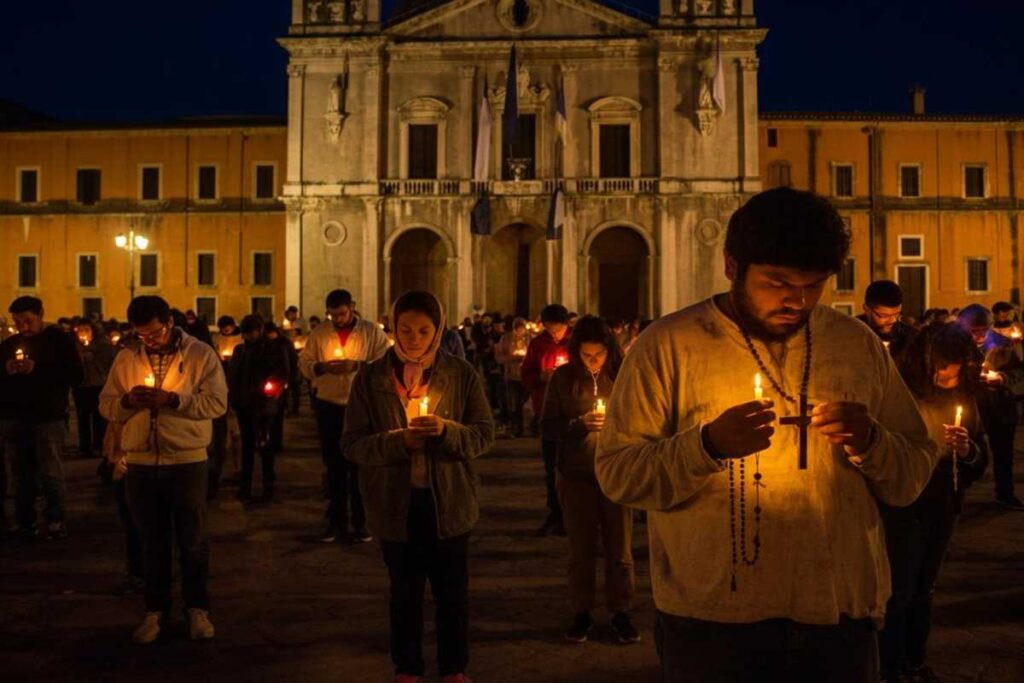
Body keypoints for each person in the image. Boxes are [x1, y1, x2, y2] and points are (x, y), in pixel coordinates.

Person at [596, 188, 938, 683]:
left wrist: (872, 442)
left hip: (837, 615)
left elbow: (911, 474)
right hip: (713, 623)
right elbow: (619, 475)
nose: (796, 301)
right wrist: (706, 446)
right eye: (777, 283)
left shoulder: (856, 345)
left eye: (813, 285)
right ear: (732, 265)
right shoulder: (667, 346)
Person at [343, 290, 494, 683]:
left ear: (438, 329)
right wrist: (398, 442)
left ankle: (454, 668)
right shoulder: (371, 376)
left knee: (452, 594)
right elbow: (353, 443)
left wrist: (446, 432)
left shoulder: (461, 373)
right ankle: (407, 667)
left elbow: (483, 435)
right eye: (405, 329)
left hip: (450, 502)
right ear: (392, 327)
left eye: (424, 330)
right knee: (404, 593)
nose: (413, 338)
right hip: (395, 504)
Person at [99, 295, 228, 644]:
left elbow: (217, 403)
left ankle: (197, 609)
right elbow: (106, 404)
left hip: (186, 460)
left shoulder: (200, 354)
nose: (149, 341)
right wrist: (127, 402)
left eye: (154, 333)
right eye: (142, 336)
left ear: (169, 322)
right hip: (140, 462)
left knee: (193, 541)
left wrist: (173, 400)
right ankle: (154, 612)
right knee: (151, 542)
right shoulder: (127, 357)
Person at [878, 323, 989, 683]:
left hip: (943, 503)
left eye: (954, 368)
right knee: (900, 590)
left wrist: (966, 449)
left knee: (925, 588)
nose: (947, 376)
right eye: (941, 367)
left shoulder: (966, 395)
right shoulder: (902, 395)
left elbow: (979, 454)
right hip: (905, 504)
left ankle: (914, 660)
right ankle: (889, 666)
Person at [541, 316, 638, 645]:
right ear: (576, 352)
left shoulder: (624, 377)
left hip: (617, 473)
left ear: (610, 351)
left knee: (620, 548)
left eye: (599, 355)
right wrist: (579, 424)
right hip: (577, 474)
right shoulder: (562, 378)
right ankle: (581, 611)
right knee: (580, 549)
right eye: (587, 355)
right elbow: (548, 428)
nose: (593, 361)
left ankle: (621, 610)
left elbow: (642, 422)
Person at [299, 288, 390, 543]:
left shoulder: (372, 333)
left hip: (361, 407)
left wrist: (358, 366)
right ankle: (336, 521)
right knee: (334, 466)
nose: (337, 319)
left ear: (352, 307)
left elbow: (386, 363)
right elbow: (304, 363)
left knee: (360, 467)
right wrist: (321, 367)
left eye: (341, 314)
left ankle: (362, 522)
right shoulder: (319, 334)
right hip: (329, 405)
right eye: (332, 316)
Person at [0, 296, 84, 540]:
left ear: (40, 315)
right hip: (14, 417)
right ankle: (25, 521)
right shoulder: (9, 344)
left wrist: (37, 369)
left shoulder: (59, 341)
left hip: (48, 418)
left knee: (50, 472)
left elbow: (75, 375)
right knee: (19, 473)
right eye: (18, 322)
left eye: (28, 321)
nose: (23, 327)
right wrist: (6, 370)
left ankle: (55, 520)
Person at [957, 304, 1024, 509]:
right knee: (965, 450)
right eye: (974, 331)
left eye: (983, 330)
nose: (979, 335)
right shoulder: (954, 346)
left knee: (1004, 453)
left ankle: (1005, 493)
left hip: (1000, 405)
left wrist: (1002, 378)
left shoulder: (1005, 344)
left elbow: (1020, 372)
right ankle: (957, 492)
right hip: (969, 406)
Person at [227, 316, 290, 502]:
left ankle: (267, 487)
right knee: (247, 446)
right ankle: (245, 487)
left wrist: (271, 393)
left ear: (259, 330)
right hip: (244, 405)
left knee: (266, 447)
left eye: (251, 332)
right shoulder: (239, 350)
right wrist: (234, 396)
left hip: (264, 405)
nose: (248, 337)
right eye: (245, 333)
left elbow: (282, 374)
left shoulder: (273, 349)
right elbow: (234, 374)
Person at [521, 304, 572, 536]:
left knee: (572, 466)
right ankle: (555, 511)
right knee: (551, 466)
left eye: (557, 329)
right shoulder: (538, 344)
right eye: (549, 328)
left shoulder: (575, 342)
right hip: (547, 409)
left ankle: (573, 513)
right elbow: (526, 372)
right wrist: (540, 376)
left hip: (573, 411)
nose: (554, 333)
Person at [73, 319, 117, 459]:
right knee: (82, 417)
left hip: (98, 384)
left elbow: (108, 364)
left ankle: (98, 445)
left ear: (93, 331)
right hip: (81, 385)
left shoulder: (103, 346)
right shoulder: (74, 347)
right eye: (80, 330)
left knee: (99, 417)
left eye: (86, 330)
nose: (83, 334)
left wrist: (94, 358)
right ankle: (84, 446)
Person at [857, 280, 916, 358]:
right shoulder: (853, 334)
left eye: (896, 314)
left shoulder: (911, 338)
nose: (893, 320)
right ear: (867, 309)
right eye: (884, 316)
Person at [495, 318, 531, 438]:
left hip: (526, 375)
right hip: (511, 376)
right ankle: (516, 428)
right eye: (518, 328)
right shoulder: (506, 339)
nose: (521, 331)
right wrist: (513, 358)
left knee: (523, 402)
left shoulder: (529, 339)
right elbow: (499, 357)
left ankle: (522, 426)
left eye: (523, 328)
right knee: (514, 403)